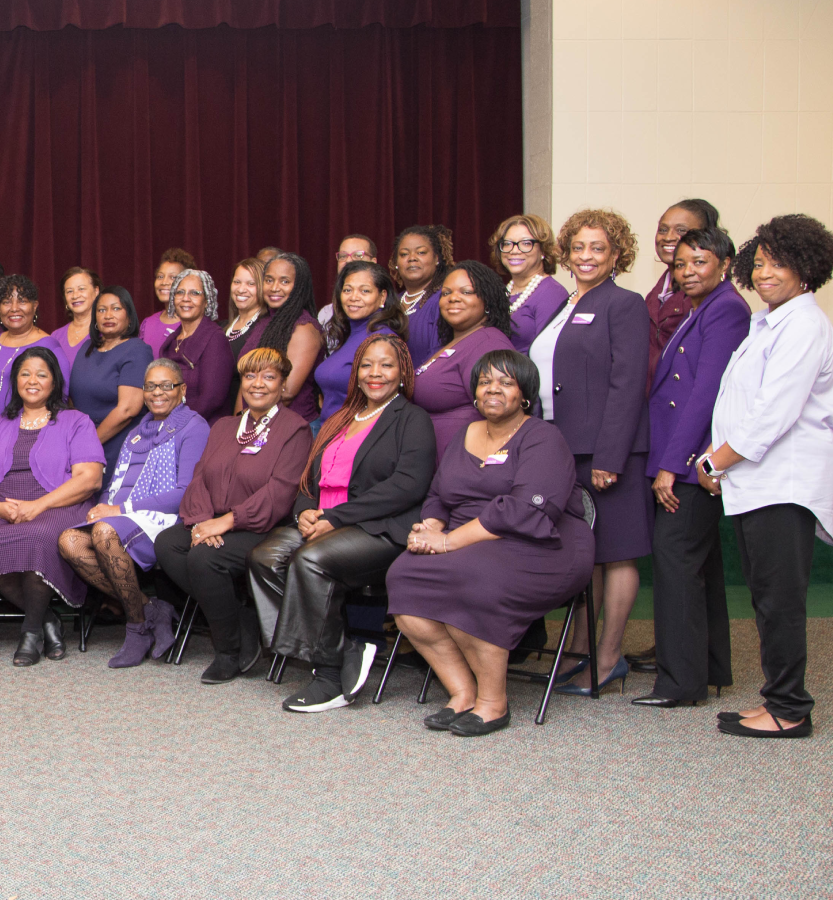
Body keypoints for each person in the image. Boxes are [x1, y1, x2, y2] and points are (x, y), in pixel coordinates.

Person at [386, 351, 594, 736]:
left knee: (474, 579)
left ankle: (493, 702)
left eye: (506, 382)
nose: (493, 389)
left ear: (524, 395)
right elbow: (439, 494)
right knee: (404, 574)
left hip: (542, 544)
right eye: (485, 382)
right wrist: (429, 526)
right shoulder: (466, 433)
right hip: (469, 542)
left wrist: (446, 542)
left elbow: (522, 512)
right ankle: (462, 691)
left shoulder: (543, 437)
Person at [702, 214, 833, 739]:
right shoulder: (770, 322)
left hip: (785, 481)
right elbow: (741, 403)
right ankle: (777, 699)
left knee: (779, 599)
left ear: (806, 269)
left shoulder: (803, 325)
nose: (764, 273)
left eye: (778, 264)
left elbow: (774, 413)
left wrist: (718, 461)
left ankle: (789, 709)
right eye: (758, 263)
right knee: (766, 595)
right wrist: (719, 458)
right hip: (758, 479)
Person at [249, 334, 435, 712]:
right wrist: (304, 510)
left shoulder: (412, 419)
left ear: (402, 373)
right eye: (366, 365)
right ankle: (344, 643)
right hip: (324, 522)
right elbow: (309, 478)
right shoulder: (340, 418)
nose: (375, 373)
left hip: (378, 529)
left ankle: (330, 676)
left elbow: (408, 486)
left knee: (310, 560)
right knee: (263, 558)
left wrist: (335, 517)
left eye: (386, 365)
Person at [532, 209, 651, 697]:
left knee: (617, 553)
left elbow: (627, 384)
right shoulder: (566, 304)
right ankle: (579, 652)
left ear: (616, 255)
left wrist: (610, 455)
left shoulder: (624, 304)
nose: (585, 256)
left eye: (597, 248)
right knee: (588, 554)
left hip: (606, 450)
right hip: (564, 445)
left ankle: (608, 658)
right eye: (578, 247)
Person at [637, 227, 748, 708]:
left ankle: (680, 683)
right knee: (701, 564)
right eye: (680, 264)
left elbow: (704, 394)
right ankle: (709, 668)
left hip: (689, 462)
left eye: (699, 262)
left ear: (724, 263)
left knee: (676, 562)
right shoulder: (704, 307)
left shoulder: (726, 308)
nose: (687, 271)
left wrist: (672, 465)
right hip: (685, 456)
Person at [155, 348, 313, 684]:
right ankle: (242, 619)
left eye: (269, 377)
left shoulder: (295, 429)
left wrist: (224, 523)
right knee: (168, 543)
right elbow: (199, 478)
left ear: (283, 385)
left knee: (203, 559)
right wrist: (200, 521)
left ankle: (227, 652)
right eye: (250, 376)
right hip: (214, 520)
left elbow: (280, 493)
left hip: (261, 526)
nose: (258, 384)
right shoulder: (225, 426)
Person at [58, 358, 210, 667]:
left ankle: (136, 628)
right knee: (69, 541)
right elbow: (116, 484)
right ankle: (151, 609)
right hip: (123, 514)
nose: (157, 393)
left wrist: (118, 510)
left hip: (164, 518)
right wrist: (102, 506)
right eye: (151, 386)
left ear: (181, 389)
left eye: (166, 385)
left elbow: (185, 494)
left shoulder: (194, 426)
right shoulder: (138, 431)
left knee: (104, 532)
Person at [0, 348, 106, 666]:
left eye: (41, 374)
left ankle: (31, 632)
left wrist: (38, 505)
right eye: (25, 374)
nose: (32, 380)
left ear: (55, 381)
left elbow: (90, 480)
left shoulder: (76, 421)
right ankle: (48, 619)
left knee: (38, 538)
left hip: (58, 505)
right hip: (6, 508)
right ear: (15, 380)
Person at [412, 261, 519, 461]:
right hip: (436, 467)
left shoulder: (488, 343)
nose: (453, 298)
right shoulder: (456, 342)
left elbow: (503, 415)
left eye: (466, 292)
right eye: (446, 293)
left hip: (464, 466)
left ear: (487, 300)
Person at [311, 260, 403, 424]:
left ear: (382, 296)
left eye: (365, 291)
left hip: (355, 435)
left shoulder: (381, 340)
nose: (354, 297)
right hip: (331, 431)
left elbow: (382, 404)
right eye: (347, 290)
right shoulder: (352, 334)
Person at [71, 287, 154, 466]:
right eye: (102, 310)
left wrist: (88, 444)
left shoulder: (137, 350)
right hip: (82, 438)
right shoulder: (86, 348)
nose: (108, 315)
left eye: (116, 308)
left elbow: (127, 410)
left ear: (129, 316)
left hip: (119, 443)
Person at [239, 253, 325, 421]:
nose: (274, 287)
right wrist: (240, 420)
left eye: (284, 281)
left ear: (299, 286)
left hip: (292, 426)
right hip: (255, 423)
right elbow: (244, 380)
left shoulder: (304, 328)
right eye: (269, 280)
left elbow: (287, 392)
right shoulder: (264, 322)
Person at [0, 274, 61, 429]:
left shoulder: (49, 346)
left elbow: (58, 403)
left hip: (23, 445)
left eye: (22, 301)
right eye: (6, 302)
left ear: (35, 305)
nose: (14, 308)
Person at [647, 199, 721, 376]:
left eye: (681, 230)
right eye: (663, 229)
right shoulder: (657, 291)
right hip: (651, 398)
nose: (668, 237)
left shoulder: (708, 297)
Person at [161, 269, 235, 421]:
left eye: (194, 293)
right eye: (180, 292)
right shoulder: (171, 341)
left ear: (207, 301)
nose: (185, 299)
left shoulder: (215, 339)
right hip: (169, 425)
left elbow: (211, 399)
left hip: (202, 428)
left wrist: (176, 424)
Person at [490, 214, 567, 350]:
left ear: (543, 250)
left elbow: (549, 353)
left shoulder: (552, 293)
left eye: (526, 243)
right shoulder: (501, 293)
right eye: (507, 243)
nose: (514, 250)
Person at [392, 225, 453, 362]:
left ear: (436, 259)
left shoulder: (444, 299)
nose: (412, 258)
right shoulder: (390, 303)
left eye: (421, 252)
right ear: (396, 262)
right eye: (404, 254)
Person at [141, 248, 198, 350]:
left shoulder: (195, 324)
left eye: (172, 277)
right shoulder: (148, 324)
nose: (164, 282)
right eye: (160, 276)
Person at [319, 235, 379, 326]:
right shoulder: (326, 314)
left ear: (373, 262)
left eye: (358, 255)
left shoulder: (384, 313)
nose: (348, 260)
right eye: (343, 256)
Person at [221, 257, 265, 352]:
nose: (241, 290)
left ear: (263, 287)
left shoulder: (266, 329)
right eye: (237, 282)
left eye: (251, 284)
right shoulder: (222, 327)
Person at [54, 267, 100, 353]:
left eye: (81, 289)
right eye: (69, 291)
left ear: (96, 291)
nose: (75, 296)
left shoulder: (106, 332)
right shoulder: (56, 337)